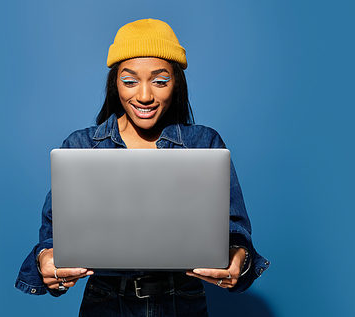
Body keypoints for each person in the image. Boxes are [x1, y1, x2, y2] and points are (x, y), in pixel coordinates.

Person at [15, 18, 270, 316]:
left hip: (182, 303)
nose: (145, 96)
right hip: (105, 303)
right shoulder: (83, 146)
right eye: (130, 80)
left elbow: (234, 232)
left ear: (176, 83)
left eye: (160, 81)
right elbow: (53, 237)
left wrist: (239, 256)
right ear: (115, 83)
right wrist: (46, 260)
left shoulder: (204, 143)